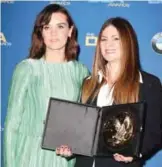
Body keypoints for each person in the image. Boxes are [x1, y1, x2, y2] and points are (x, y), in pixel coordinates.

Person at [3, 4, 89, 167]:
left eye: (60, 26)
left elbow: (82, 124)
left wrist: (74, 150)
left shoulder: (81, 71)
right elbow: (12, 124)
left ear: (70, 31)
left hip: (63, 159)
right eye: (47, 27)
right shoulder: (27, 68)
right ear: (40, 32)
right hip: (28, 156)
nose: (53, 33)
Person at [73, 17, 162, 167]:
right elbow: (80, 129)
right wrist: (70, 145)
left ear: (128, 42)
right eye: (104, 39)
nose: (108, 45)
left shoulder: (148, 83)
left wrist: (135, 153)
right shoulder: (88, 82)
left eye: (116, 38)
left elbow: (155, 131)